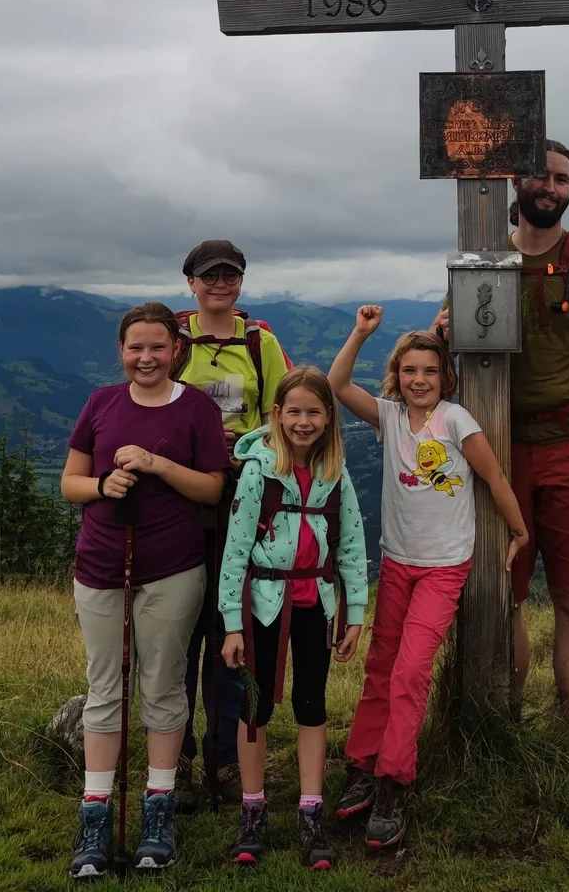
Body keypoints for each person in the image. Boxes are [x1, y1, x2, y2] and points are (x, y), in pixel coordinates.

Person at [440, 139, 569, 797]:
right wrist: (444, 328)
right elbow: (455, 347)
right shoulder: (481, 262)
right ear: (515, 182)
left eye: (561, 178)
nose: (548, 186)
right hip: (498, 450)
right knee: (502, 593)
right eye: (539, 174)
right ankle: (501, 732)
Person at [327, 308, 528, 852]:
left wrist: (518, 529)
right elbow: (337, 384)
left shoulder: (458, 421)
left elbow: (494, 477)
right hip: (396, 562)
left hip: (443, 567)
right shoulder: (389, 417)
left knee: (411, 671)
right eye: (410, 370)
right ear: (398, 373)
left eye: (431, 372)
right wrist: (361, 333)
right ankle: (362, 766)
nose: (420, 380)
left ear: (446, 378)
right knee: (381, 666)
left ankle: (394, 781)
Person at [60, 302, 229, 878]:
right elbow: (70, 485)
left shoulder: (197, 410)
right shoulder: (101, 404)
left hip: (173, 569)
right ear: (121, 351)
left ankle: (158, 810)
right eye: (136, 347)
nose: (146, 357)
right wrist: (105, 484)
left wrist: (155, 464)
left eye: (157, 346)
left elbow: (211, 489)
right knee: (104, 688)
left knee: (162, 684)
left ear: (175, 350)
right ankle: (96, 813)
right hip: (101, 566)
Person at [216, 366, 368, 871]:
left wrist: (354, 613)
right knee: (254, 708)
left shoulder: (334, 473)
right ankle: (253, 809)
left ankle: (310, 811)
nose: (303, 422)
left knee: (311, 702)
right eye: (294, 412)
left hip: (316, 603)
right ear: (277, 414)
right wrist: (232, 623)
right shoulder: (259, 470)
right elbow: (235, 550)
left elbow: (350, 545)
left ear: (329, 418)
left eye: (314, 412)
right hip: (263, 600)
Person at [174, 238, 291, 809]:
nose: (221, 283)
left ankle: (222, 759)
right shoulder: (173, 342)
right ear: (190, 282)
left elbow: (283, 416)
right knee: (178, 633)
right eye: (209, 275)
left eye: (231, 275)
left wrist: (242, 449)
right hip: (176, 504)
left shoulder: (259, 342)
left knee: (228, 633)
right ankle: (177, 760)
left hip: (242, 504)